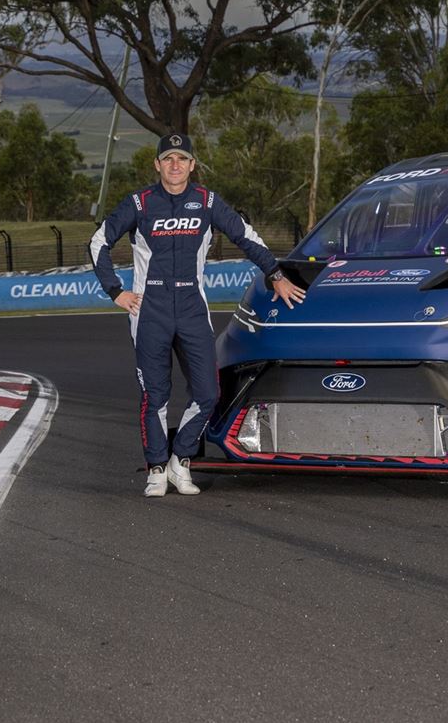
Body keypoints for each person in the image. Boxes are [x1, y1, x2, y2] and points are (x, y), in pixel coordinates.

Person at [89, 132, 305, 496]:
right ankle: (156, 468)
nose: (176, 165)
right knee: (155, 395)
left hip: (192, 309)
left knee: (207, 392)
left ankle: (181, 460)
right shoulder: (139, 203)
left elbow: (247, 236)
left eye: (183, 159)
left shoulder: (207, 202)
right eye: (168, 159)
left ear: (192, 165)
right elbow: (98, 242)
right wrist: (116, 291)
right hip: (149, 310)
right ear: (157, 165)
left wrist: (277, 275)